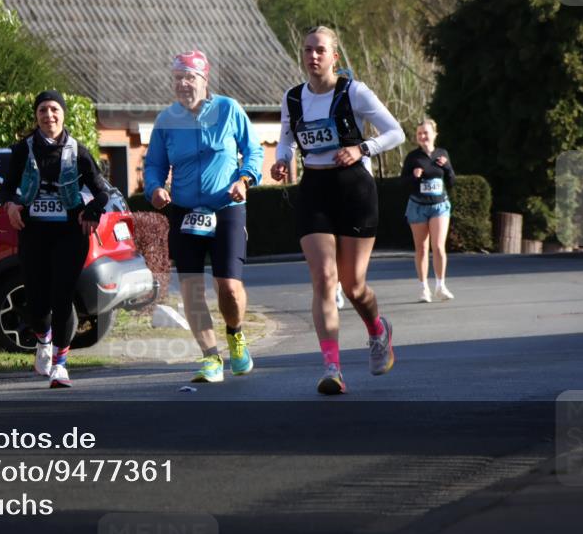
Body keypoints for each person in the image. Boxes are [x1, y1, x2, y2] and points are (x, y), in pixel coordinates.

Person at [270, 26, 405, 395]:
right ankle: (332, 367)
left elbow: (396, 132)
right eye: (307, 50)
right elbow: (287, 138)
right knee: (324, 280)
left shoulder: (354, 91)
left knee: (354, 286)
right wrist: (283, 160)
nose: (312, 56)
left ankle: (378, 330)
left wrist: (363, 149)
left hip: (354, 190)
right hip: (314, 189)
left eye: (320, 51)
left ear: (335, 57)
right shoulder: (293, 97)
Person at [144, 50, 264, 383]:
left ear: (204, 80)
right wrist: (154, 187)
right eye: (177, 78)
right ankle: (210, 356)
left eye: (190, 77)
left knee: (228, 287)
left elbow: (253, 149)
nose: (183, 84)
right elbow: (153, 164)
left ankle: (236, 335)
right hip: (184, 212)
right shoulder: (166, 120)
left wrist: (245, 179)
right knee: (191, 289)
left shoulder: (228, 109)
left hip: (226, 207)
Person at [0, 90, 111, 388]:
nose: (48, 116)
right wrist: (10, 205)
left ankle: (60, 364)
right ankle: (43, 340)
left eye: (54, 110)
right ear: (36, 116)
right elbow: (6, 188)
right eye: (42, 111)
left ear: (63, 114)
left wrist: (91, 212)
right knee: (37, 300)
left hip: (69, 235)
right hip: (34, 232)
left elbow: (102, 192)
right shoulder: (23, 150)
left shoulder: (79, 151)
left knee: (62, 298)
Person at [402, 119, 455, 302]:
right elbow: (403, 183)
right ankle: (424, 288)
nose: (423, 136)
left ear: (434, 134)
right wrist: (414, 177)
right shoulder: (413, 157)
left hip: (439, 206)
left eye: (426, 132)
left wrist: (447, 167)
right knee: (422, 248)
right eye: (419, 134)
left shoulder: (442, 154)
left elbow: (451, 181)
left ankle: (441, 286)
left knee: (439, 246)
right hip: (418, 206)